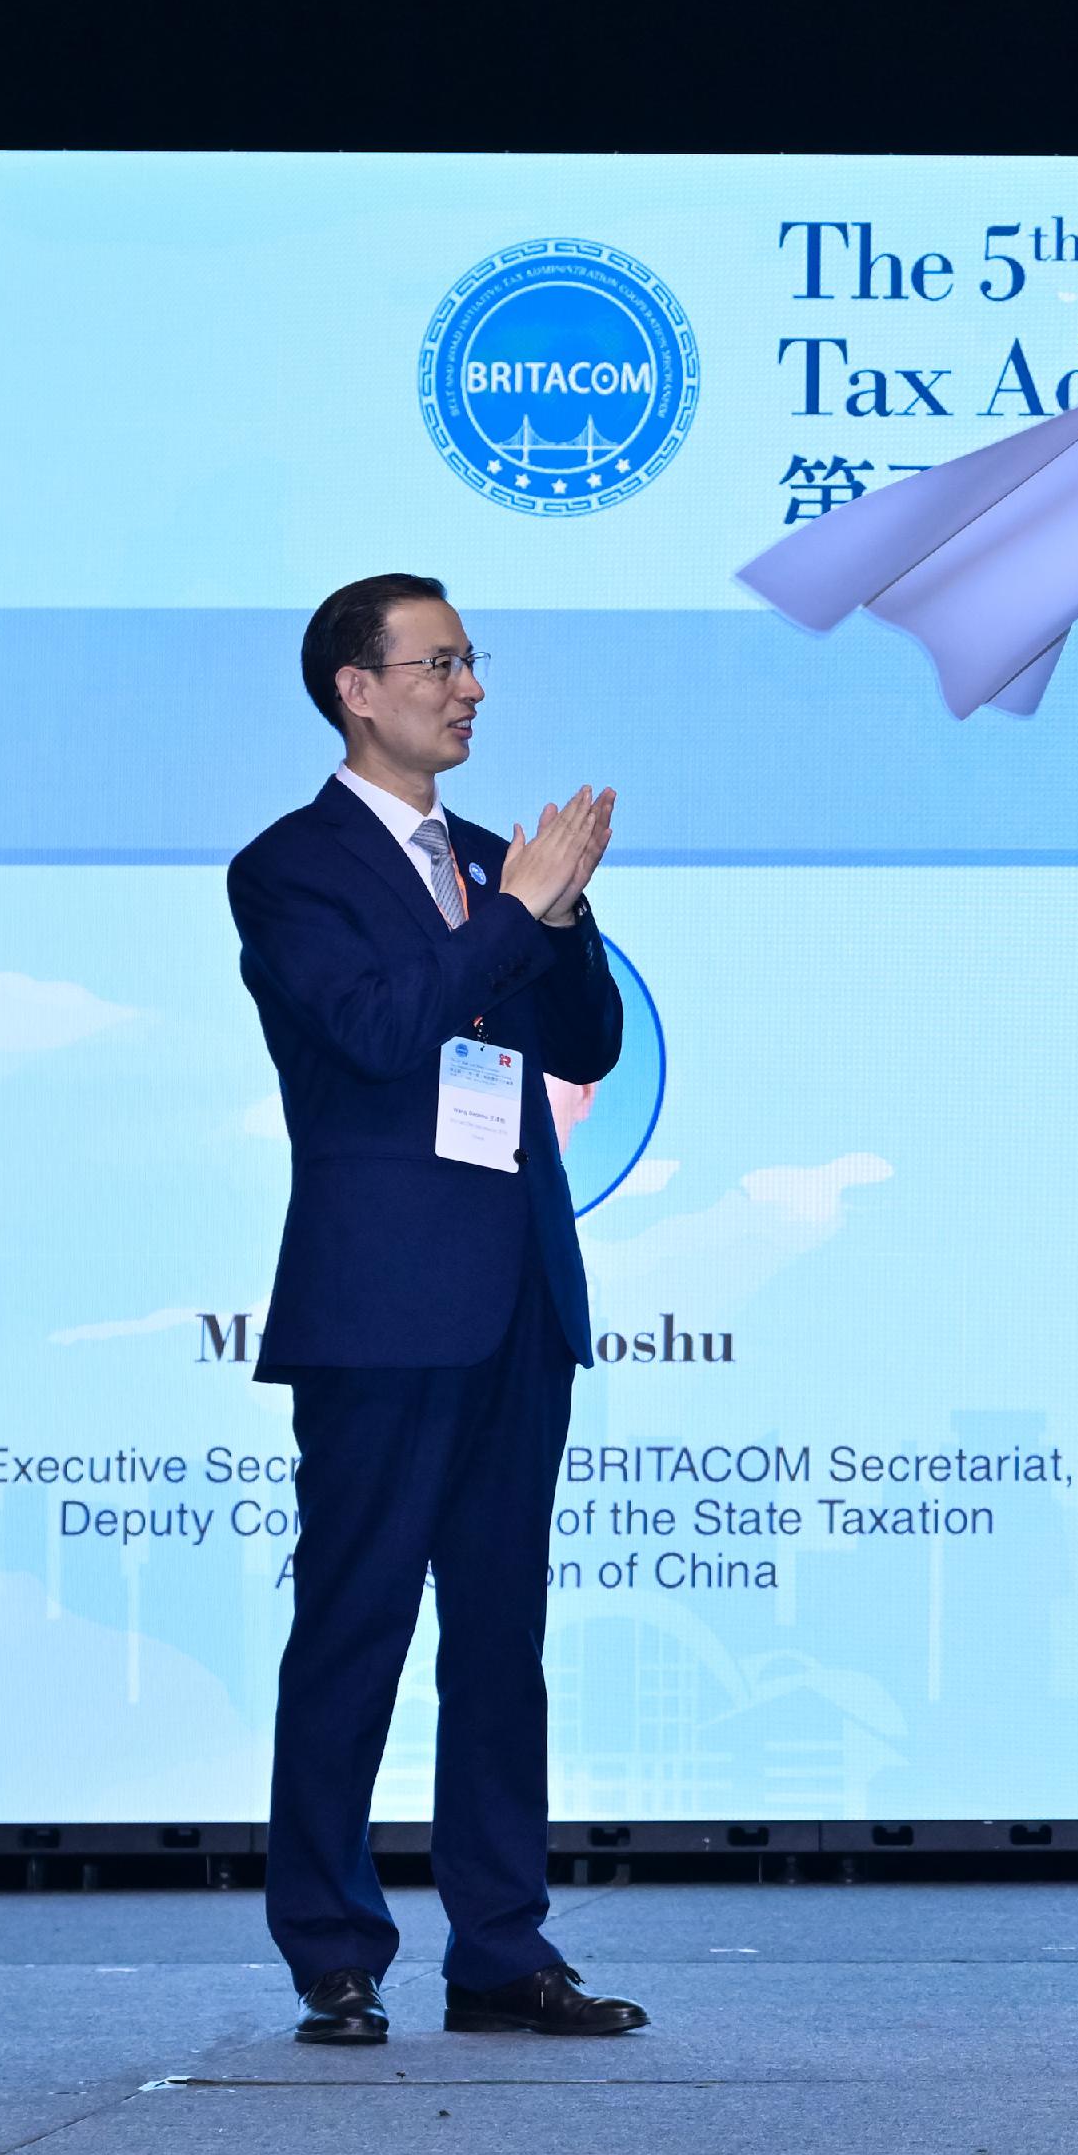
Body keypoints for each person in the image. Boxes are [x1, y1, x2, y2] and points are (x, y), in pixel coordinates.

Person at [227, 574, 649, 2046]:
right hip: (382, 1306)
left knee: (499, 1641)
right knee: (352, 1629)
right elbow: (384, 1031)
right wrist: (514, 911)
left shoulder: (494, 859)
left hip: (518, 1299)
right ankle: (334, 1948)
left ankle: (502, 1948)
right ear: (357, 686)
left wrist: (563, 914)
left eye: (473, 662)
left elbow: (586, 1038)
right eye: (439, 662)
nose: (469, 687)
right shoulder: (291, 869)